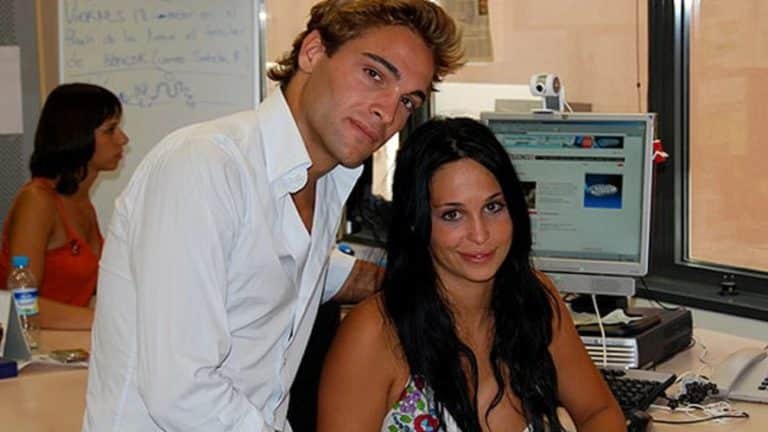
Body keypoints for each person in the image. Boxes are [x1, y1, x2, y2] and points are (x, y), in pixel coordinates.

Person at [83, 1, 463, 431]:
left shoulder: (324, 186)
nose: (388, 113)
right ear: (313, 52)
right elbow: (180, 391)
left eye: (408, 101)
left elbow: (277, 273)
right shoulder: (206, 166)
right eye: (374, 74)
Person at [317, 118, 625, 431]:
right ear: (416, 222)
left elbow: (599, 412)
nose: (480, 234)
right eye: (452, 215)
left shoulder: (533, 300)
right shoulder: (373, 334)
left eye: (493, 207)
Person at [0, 83, 128, 330]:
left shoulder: (82, 203)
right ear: (77, 135)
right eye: (110, 130)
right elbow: (22, 304)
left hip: (64, 343)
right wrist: (108, 321)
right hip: (29, 346)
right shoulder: (37, 201)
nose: (123, 139)